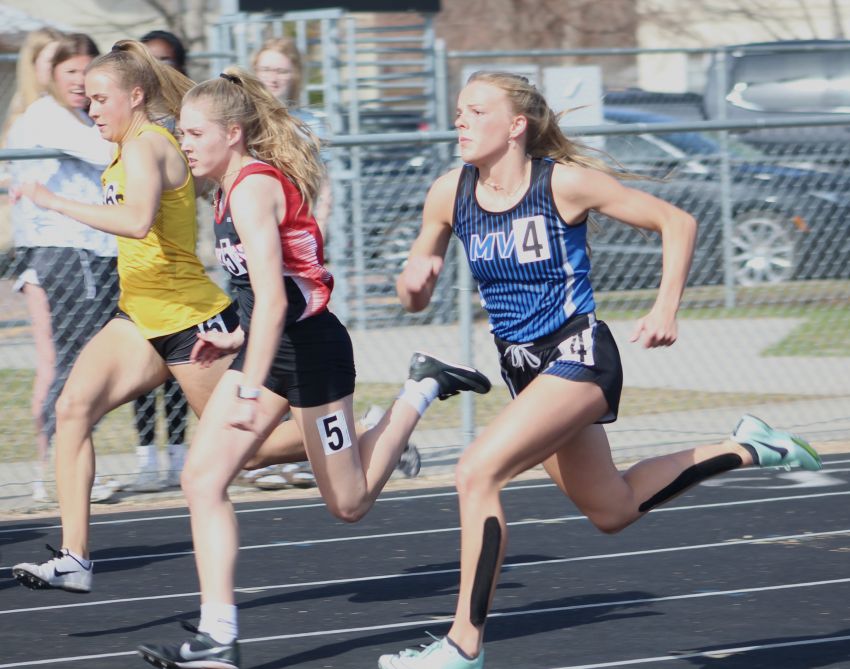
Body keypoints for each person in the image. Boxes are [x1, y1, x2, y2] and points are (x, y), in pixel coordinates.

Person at [376, 71, 824, 669]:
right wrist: (412, 285)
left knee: (476, 471)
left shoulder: (562, 183)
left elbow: (677, 222)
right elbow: (414, 296)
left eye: (476, 111)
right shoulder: (448, 193)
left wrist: (665, 307)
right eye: (459, 110)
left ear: (516, 126)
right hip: (525, 373)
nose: (460, 120)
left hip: (579, 354)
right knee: (612, 509)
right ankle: (750, 447)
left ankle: (463, 644)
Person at [135, 67, 492, 669]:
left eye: (195, 133)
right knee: (201, 478)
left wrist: (249, 385)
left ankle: (422, 386)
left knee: (348, 504)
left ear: (233, 132)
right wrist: (236, 337)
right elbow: (273, 293)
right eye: (181, 133)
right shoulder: (225, 190)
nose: (184, 144)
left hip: (311, 357)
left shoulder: (251, 189)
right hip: (269, 345)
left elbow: (278, 301)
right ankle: (218, 636)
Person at [4, 31, 124, 505]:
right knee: (73, 364)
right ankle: (58, 469)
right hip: (69, 251)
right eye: (69, 71)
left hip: (94, 248)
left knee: (84, 365)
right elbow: (108, 152)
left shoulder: (78, 117)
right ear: (50, 75)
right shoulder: (47, 116)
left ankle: (69, 467)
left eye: (86, 71)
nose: (78, 80)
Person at [126, 30, 193, 492]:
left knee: (251, 441)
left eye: (164, 61)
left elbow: (139, 219)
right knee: (78, 403)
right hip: (141, 285)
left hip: (178, 287)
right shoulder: (126, 133)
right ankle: (148, 458)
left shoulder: (171, 130)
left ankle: (183, 455)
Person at [2, 27, 64, 502]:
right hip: (42, 253)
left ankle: (70, 459)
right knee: (51, 363)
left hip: (80, 252)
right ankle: (47, 467)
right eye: (52, 64)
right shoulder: (28, 119)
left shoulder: (72, 116)